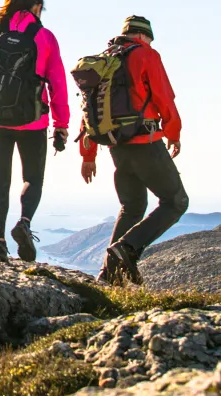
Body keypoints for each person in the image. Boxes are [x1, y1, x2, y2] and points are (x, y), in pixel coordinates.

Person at [74, 15, 185, 284]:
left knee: (132, 207)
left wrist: (88, 156)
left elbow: (89, 111)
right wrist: (173, 133)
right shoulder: (146, 55)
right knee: (176, 201)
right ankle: (128, 248)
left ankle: (108, 276)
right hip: (144, 143)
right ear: (145, 36)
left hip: (115, 146)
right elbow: (164, 97)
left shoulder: (105, 59)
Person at [0, 0, 70, 263]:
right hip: (33, 121)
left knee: (0, 180)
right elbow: (57, 84)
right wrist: (61, 123)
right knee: (32, 179)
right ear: (36, 7)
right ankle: (24, 222)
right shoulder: (45, 37)